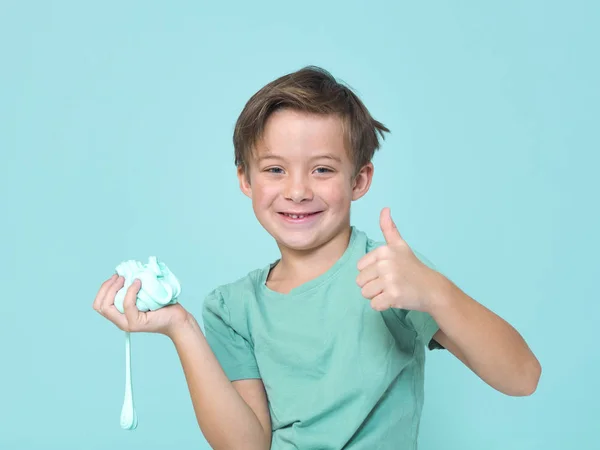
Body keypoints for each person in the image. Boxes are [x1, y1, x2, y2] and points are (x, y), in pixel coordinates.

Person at [93, 66, 541, 450]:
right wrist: (180, 327)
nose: (298, 190)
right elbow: (247, 444)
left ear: (359, 180)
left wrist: (437, 293)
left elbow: (522, 377)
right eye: (274, 169)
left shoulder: (391, 273)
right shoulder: (232, 309)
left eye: (322, 169)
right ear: (245, 180)